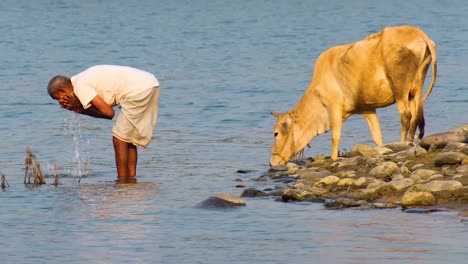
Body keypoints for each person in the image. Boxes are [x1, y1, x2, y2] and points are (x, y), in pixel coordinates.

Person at [47, 65, 160, 181]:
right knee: (129, 139)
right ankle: (130, 181)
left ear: (63, 90)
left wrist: (78, 108)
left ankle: (122, 182)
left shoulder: (80, 87)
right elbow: (104, 112)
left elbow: (109, 113)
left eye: (58, 98)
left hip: (139, 89)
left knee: (119, 138)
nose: (60, 102)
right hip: (148, 84)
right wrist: (78, 107)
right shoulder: (80, 81)